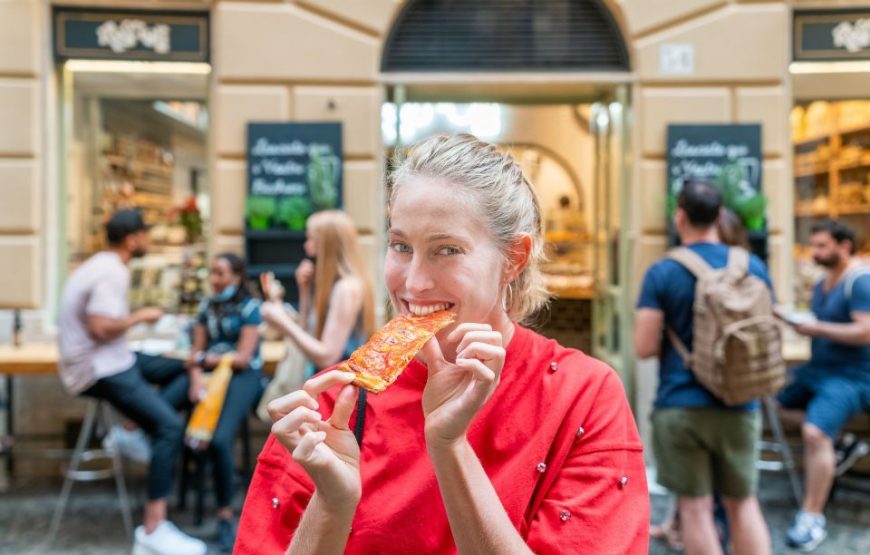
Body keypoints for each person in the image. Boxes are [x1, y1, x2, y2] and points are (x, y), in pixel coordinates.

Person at [234, 134, 649, 554]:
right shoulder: (332, 405)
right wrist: (331, 505)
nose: (413, 283)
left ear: (514, 259)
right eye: (400, 246)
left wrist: (449, 448)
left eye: (446, 250)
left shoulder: (582, 397)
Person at [634, 180, 772, 555]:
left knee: (695, 510)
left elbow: (644, 347)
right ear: (719, 215)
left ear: (680, 216)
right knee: (743, 503)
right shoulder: (752, 265)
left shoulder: (663, 271)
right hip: (740, 402)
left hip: (681, 404)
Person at [57, 209, 206, 555]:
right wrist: (143, 315)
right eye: (146, 234)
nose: (149, 240)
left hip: (112, 359)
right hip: (98, 369)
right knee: (169, 427)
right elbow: (99, 327)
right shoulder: (112, 271)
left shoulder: (100, 264)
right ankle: (153, 529)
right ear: (132, 238)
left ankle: (130, 429)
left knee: (183, 366)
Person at [777, 219, 870, 551]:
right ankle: (840, 441)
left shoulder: (860, 282)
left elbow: (865, 331)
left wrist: (818, 329)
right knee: (775, 408)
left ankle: (811, 517)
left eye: (822, 246)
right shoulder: (821, 284)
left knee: (815, 433)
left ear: (844, 247)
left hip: (852, 376)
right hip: (817, 370)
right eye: (814, 245)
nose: (815, 252)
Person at [161, 253, 264, 552]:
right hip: (207, 374)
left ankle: (225, 515)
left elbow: (243, 358)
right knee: (165, 412)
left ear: (236, 276)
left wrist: (205, 360)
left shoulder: (250, 308)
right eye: (213, 273)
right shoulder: (207, 306)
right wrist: (196, 380)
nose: (214, 280)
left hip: (240, 375)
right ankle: (169, 494)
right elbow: (195, 352)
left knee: (219, 440)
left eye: (220, 273)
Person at [259, 210, 375, 374]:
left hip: (338, 389)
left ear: (327, 243)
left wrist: (283, 321)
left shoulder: (346, 288)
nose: (306, 246)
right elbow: (307, 331)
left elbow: (327, 357)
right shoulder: (337, 284)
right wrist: (304, 290)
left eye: (311, 238)